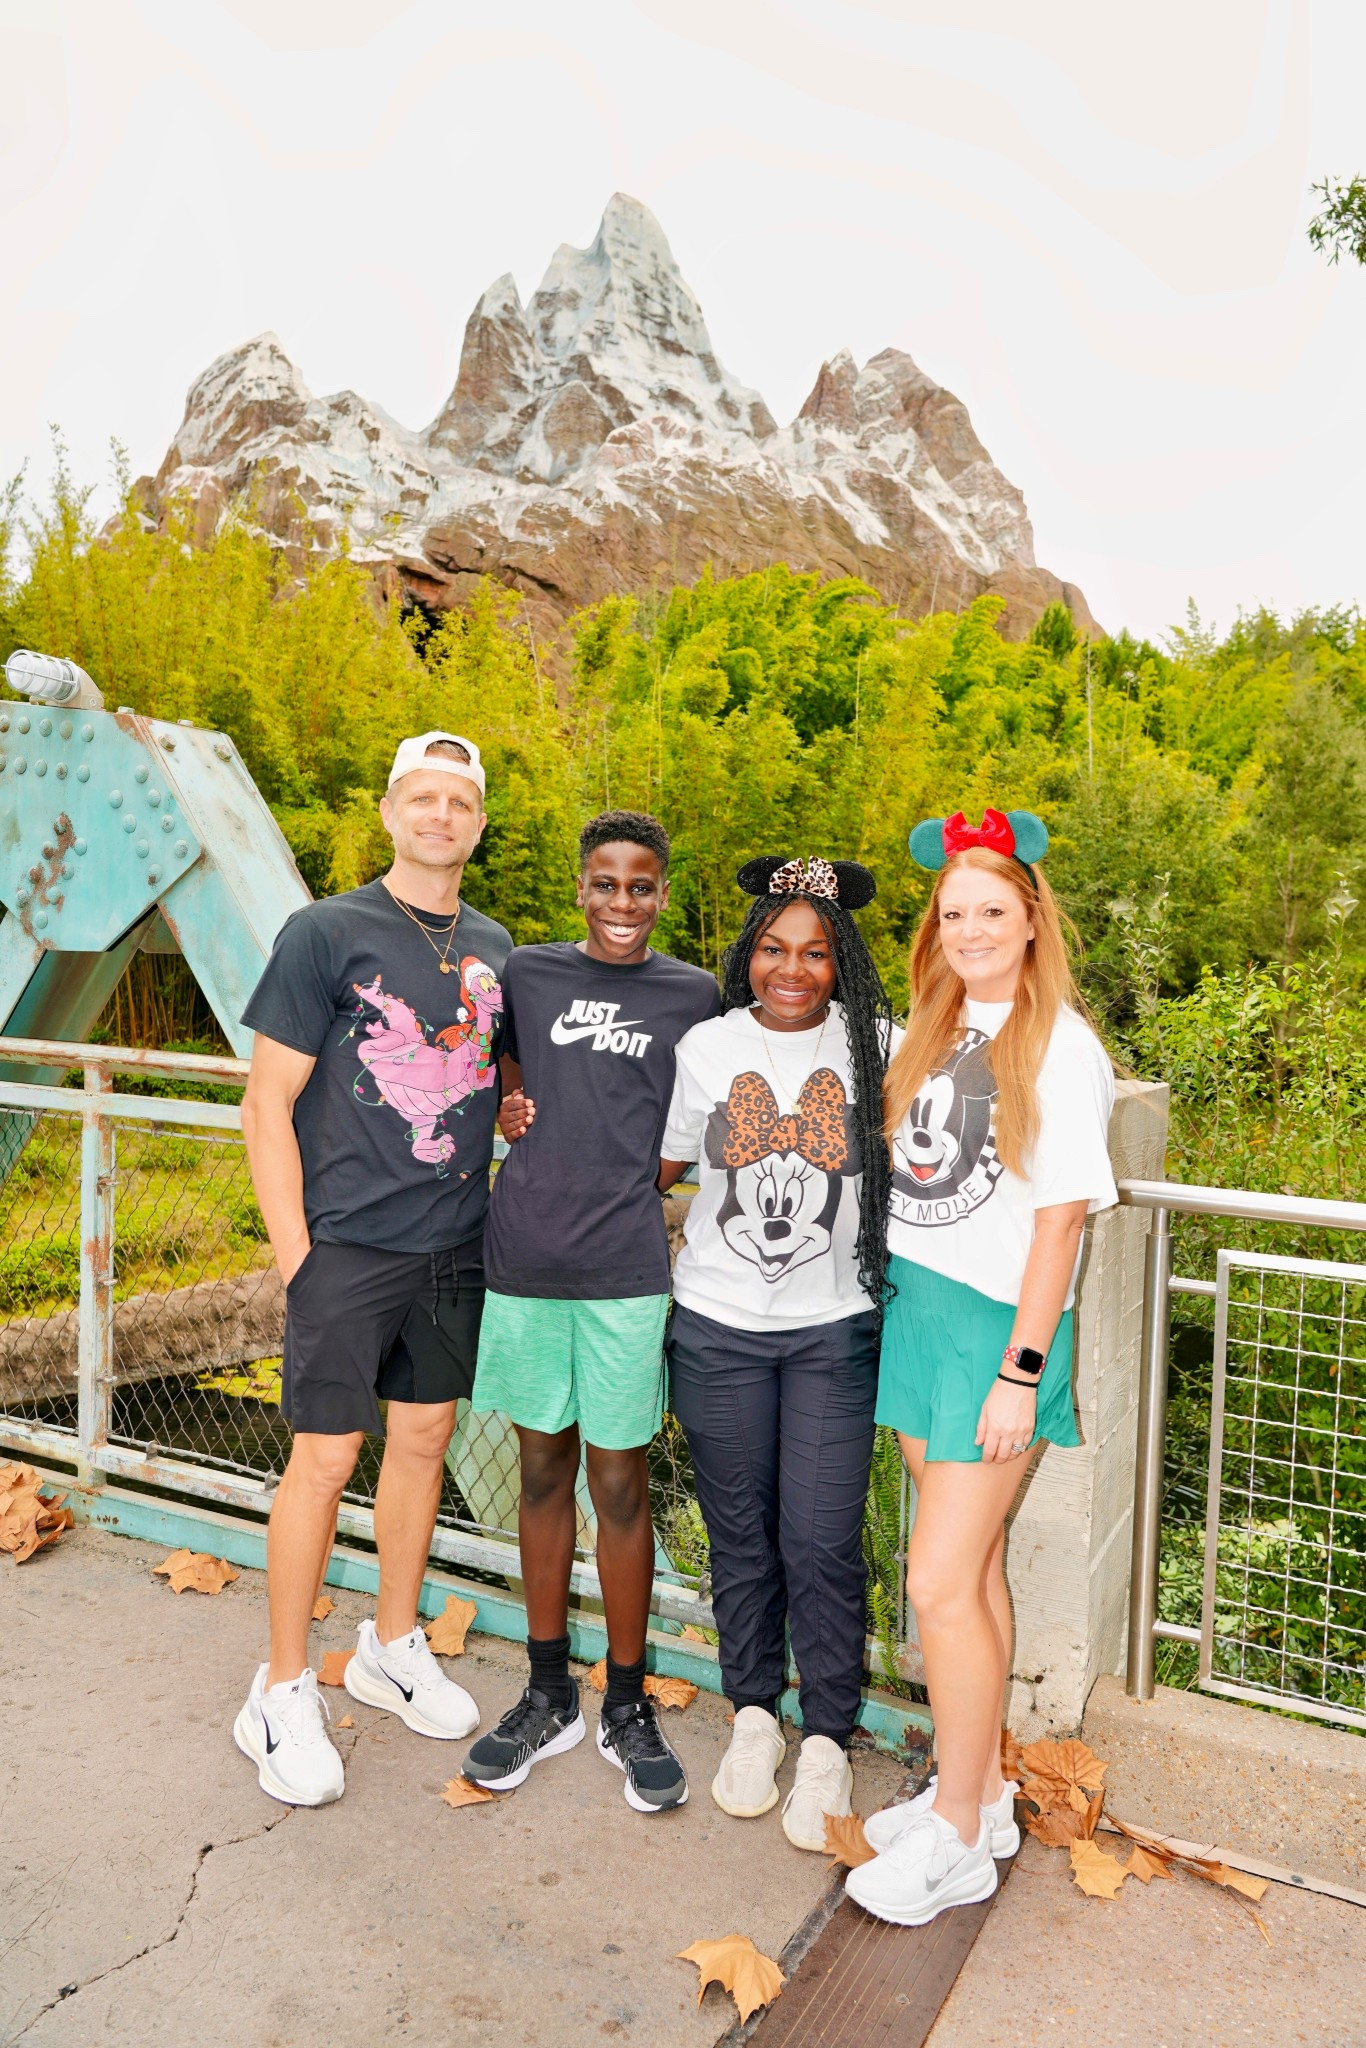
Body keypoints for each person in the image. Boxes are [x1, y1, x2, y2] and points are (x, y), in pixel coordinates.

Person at [845, 808, 1117, 1927]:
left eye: (990, 911)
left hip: (993, 1331)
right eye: (952, 913)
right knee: (975, 1573)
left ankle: (953, 1833)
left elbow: (1060, 1225)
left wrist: (1022, 1368)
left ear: (1031, 918)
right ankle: (986, 1792)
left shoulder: (1061, 1044)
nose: (968, 929)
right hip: (917, 1308)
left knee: (935, 1583)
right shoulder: (936, 1021)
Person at [233, 733, 512, 1807]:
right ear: (391, 811)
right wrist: (298, 1254)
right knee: (323, 1455)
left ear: (477, 823)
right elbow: (266, 1104)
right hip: (345, 1243)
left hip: (451, 1240)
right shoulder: (326, 932)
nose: (440, 815)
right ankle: (283, 1686)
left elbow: (504, 1083)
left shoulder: (491, 944)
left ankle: (393, 1640)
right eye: (422, 797)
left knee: (426, 1437)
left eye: (460, 801)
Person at [462, 811, 720, 1814]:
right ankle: (544, 1688)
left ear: (662, 892)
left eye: (641, 885)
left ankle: (624, 1699)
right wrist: (510, 1107)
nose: (622, 901)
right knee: (538, 1468)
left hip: (623, 1265)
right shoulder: (526, 972)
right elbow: (497, 1062)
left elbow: (689, 1119)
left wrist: (641, 1175)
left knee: (617, 1478)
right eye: (605, 882)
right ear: (581, 887)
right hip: (525, 1253)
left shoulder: (691, 992)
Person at [657, 856, 896, 1850]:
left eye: (813, 950)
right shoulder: (707, 1044)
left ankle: (829, 1731)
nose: (791, 968)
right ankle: (754, 1709)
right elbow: (662, 1161)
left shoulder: (881, 1043)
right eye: (773, 947)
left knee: (821, 1537)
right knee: (740, 1531)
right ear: (747, 952)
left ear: (840, 960)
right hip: (715, 1325)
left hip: (834, 1329)